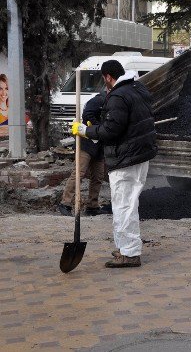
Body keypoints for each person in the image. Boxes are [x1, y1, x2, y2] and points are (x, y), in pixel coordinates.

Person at [71, 60, 157, 268]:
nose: (105, 82)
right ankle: (124, 248)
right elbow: (122, 120)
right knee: (127, 203)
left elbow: (111, 131)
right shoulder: (138, 88)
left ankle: (130, 253)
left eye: (104, 79)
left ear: (108, 76)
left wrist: (85, 130)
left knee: (124, 206)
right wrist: (101, 122)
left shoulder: (118, 96)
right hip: (140, 155)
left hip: (125, 158)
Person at [58, 91, 109, 217]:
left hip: (99, 145)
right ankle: (65, 203)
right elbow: (87, 114)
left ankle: (92, 206)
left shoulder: (113, 101)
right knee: (79, 173)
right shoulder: (99, 100)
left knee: (98, 176)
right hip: (86, 143)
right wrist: (99, 128)